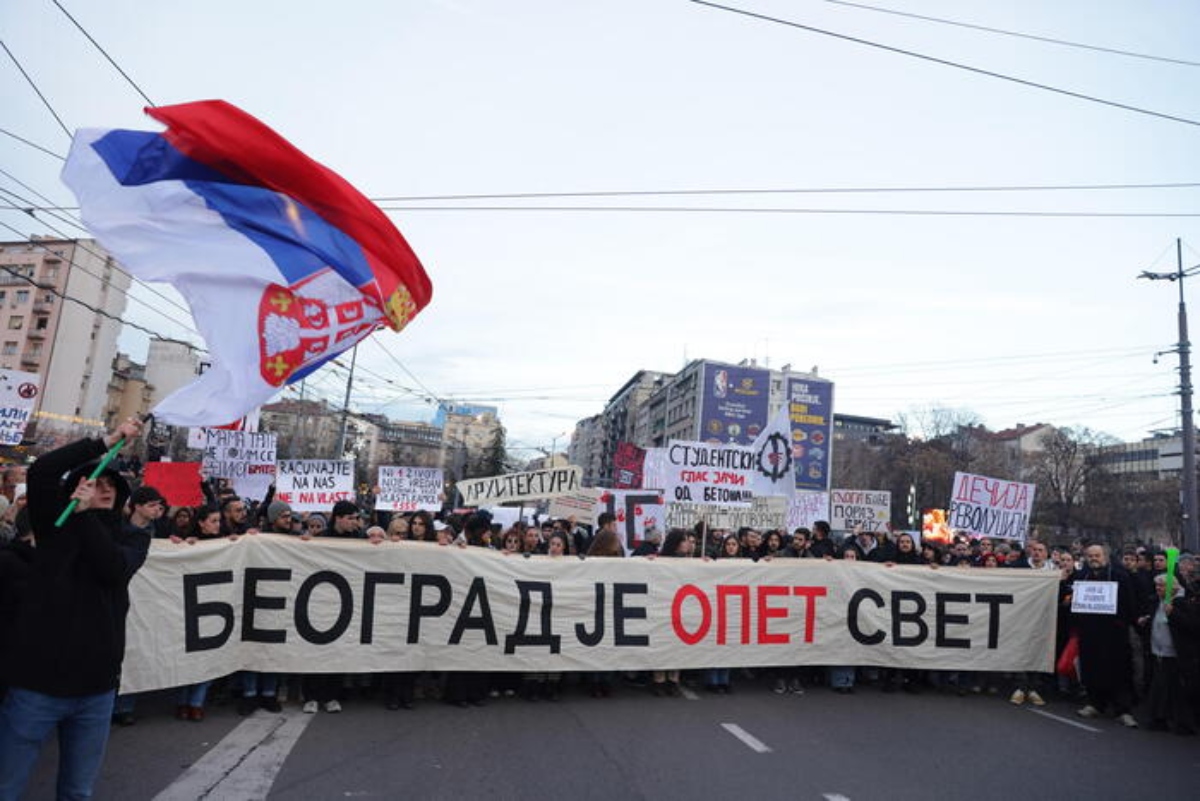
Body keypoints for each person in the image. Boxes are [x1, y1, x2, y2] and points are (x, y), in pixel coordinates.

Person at [0, 418, 149, 801]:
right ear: (76, 490)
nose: (102, 489)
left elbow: (111, 569)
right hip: (37, 687)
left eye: (110, 485)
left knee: (77, 792)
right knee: (7, 786)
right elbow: (44, 470)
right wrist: (106, 441)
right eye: (95, 483)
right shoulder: (56, 527)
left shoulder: (132, 537)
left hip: (96, 692)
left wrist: (85, 519)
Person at [1073, 544, 1139, 727]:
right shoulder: (1081, 577)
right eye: (1090, 555)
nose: (1094, 558)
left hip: (1114, 634)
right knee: (1091, 668)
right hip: (1089, 633)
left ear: (1106, 557)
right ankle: (1095, 703)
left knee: (1119, 670)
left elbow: (1129, 603)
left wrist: (1126, 621)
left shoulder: (1119, 576)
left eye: (1097, 555)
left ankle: (1123, 709)